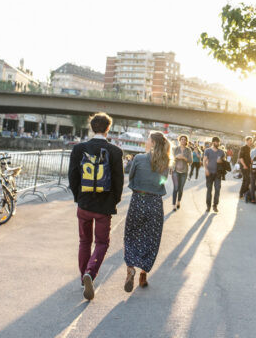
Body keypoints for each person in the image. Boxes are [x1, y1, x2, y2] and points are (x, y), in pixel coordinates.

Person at [68, 112, 124, 301]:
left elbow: (73, 176)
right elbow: (118, 181)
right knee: (102, 243)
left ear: (92, 128)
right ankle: (90, 273)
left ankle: (84, 276)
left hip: (84, 203)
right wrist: (113, 201)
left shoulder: (78, 149)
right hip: (104, 206)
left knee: (84, 241)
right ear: (108, 129)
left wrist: (78, 197)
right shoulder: (115, 151)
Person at [123, 131, 171, 292]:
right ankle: (144, 273)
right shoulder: (165, 161)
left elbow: (131, 177)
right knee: (151, 239)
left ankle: (130, 269)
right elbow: (162, 181)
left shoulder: (138, 158)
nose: (146, 142)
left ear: (154, 143)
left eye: (148, 140)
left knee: (131, 236)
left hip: (138, 201)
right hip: (155, 203)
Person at [203, 136, 225, 213]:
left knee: (217, 190)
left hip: (218, 174)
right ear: (213, 142)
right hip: (209, 173)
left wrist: (221, 161)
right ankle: (208, 206)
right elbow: (204, 161)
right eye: (216, 142)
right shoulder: (207, 151)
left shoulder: (221, 152)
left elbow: (225, 163)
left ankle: (215, 205)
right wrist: (205, 169)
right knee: (209, 190)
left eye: (218, 142)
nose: (217, 143)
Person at [171, 135, 193, 212]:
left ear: (186, 141)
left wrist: (184, 158)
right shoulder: (175, 149)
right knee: (176, 188)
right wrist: (176, 157)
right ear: (179, 140)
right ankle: (173, 205)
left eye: (184, 139)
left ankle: (178, 201)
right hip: (175, 171)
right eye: (182, 139)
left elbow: (190, 161)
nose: (183, 141)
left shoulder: (188, 150)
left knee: (180, 189)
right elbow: (171, 158)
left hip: (184, 172)